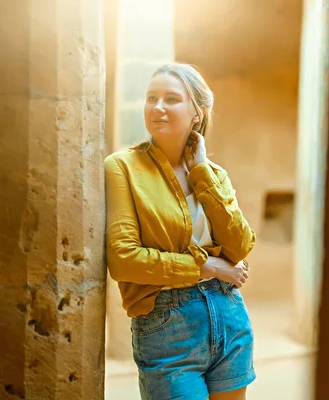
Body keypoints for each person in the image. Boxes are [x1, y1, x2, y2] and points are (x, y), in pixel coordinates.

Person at [104, 62, 256, 400]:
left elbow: (241, 245)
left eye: (171, 98)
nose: (157, 107)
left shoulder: (213, 173)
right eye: (151, 97)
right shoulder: (123, 167)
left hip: (228, 313)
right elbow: (124, 259)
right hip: (166, 325)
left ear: (196, 114)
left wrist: (201, 170)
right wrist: (208, 266)